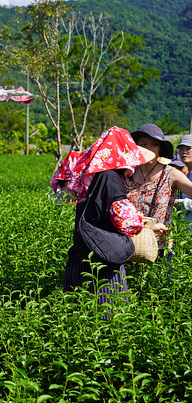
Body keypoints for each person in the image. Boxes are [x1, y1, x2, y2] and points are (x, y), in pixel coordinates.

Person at [53, 127, 152, 309]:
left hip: (79, 258)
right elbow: (126, 220)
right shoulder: (109, 178)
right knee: (108, 322)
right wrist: (140, 220)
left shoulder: (89, 177)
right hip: (103, 264)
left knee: (77, 320)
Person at [123, 124, 192, 259]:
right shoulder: (126, 172)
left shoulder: (170, 174)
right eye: (144, 144)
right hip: (127, 244)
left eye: (154, 144)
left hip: (160, 247)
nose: (149, 148)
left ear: (160, 149)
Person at [173, 135, 192, 229]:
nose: (184, 152)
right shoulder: (188, 174)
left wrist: (178, 202)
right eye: (180, 149)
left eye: (188, 148)